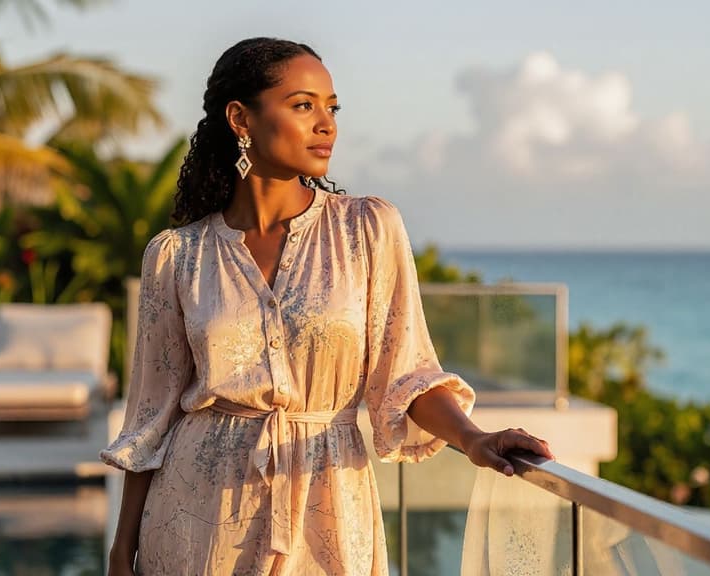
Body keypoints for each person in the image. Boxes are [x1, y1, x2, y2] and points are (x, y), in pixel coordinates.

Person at [100, 37, 552, 575]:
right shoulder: (178, 256)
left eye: (331, 107)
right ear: (240, 118)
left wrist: (474, 438)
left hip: (328, 504)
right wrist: (122, 550)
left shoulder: (366, 229)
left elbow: (406, 375)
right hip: (195, 516)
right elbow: (150, 418)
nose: (326, 124)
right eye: (303, 105)